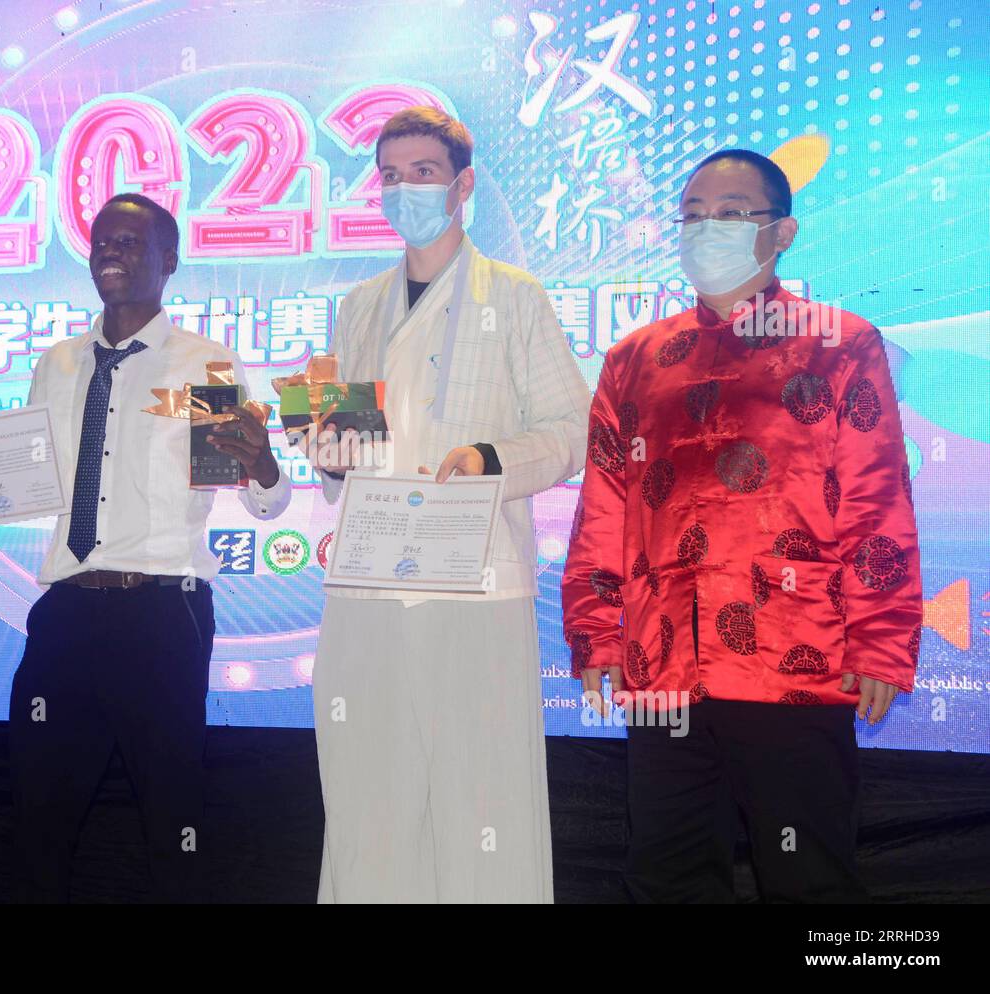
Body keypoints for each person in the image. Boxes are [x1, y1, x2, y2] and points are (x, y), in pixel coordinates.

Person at [562, 149, 922, 903]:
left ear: (782, 231)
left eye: (730, 213)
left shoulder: (839, 343)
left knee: (808, 876)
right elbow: (604, 504)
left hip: (794, 658)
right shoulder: (636, 359)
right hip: (663, 662)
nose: (706, 229)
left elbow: (876, 498)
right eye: (692, 215)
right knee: (666, 875)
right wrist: (594, 628)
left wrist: (882, 640)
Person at [0, 193, 291, 903]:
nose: (111, 253)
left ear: (170, 261)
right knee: (38, 820)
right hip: (64, 615)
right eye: (101, 242)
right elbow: (24, 488)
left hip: (162, 615)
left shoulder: (205, 366)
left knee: (172, 823)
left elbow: (256, 496)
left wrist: (265, 462)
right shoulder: (57, 363)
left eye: (130, 242)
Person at [305, 107, 590, 903]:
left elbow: (572, 431)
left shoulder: (517, 296)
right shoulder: (358, 305)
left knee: (482, 800)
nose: (406, 190)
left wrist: (489, 459)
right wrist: (321, 440)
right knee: (367, 805)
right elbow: (344, 460)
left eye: (423, 173)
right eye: (391, 177)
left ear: (463, 185)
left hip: (476, 585)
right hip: (366, 586)